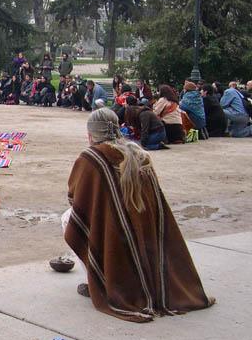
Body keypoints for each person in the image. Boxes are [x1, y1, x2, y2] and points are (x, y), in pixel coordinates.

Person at [63, 108, 213, 322]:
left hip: (115, 237)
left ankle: (100, 280)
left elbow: (74, 197)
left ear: (90, 134)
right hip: (147, 233)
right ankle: (139, 280)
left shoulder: (92, 157)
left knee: (68, 218)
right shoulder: (139, 153)